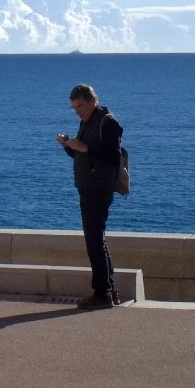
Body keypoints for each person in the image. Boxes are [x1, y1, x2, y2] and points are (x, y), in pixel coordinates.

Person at [55, 83, 123, 309]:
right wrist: (69, 145)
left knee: (94, 240)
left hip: (98, 188)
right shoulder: (87, 121)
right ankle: (109, 290)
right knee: (96, 239)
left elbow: (113, 158)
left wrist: (84, 148)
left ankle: (102, 294)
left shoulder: (108, 122)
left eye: (80, 106)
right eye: (74, 108)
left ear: (93, 101)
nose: (77, 111)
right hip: (87, 186)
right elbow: (83, 155)